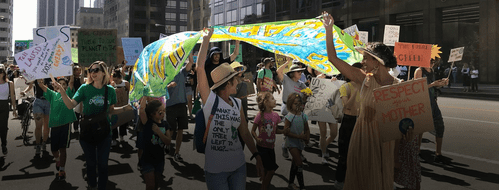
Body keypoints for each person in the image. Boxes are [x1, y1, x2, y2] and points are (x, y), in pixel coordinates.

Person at [322, 12, 409, 190]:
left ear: (377, 61)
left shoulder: (397, 86)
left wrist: (395, 155)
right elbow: (332, 58)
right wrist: (329, 29)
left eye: (365, 58)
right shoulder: (364, 79)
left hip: (384, 144)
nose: (362, 62)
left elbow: (400, 126)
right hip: (362, 139)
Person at [197, 28, 264, 190]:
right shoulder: (210, 101)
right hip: (216, 171)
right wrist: (206, 39)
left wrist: (257, 156)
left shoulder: (237, 104)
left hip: (239, 167)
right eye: (235, 80)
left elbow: (245, 133)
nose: (238, 82)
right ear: (227, 84)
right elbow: (200, 68)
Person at [53, 61, 131, 190]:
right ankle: (92, 186)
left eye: (96, 70)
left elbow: (111, 111)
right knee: (90, 164)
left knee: (103, 165)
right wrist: (62, 91)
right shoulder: (84, 88)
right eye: (91, 70)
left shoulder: (110, 90)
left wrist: (124, 109)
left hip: (105, 132)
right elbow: (70, 105)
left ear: (103, 72)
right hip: (87, 131)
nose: (92, 73)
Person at [38, 77, 77, 180]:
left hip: (65, 125)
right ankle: (57, 160)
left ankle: (62, 170)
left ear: (67, 86)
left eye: (64, 84)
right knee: (54, 149)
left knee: (62, 148)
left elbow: (72, 81)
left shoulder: (68, 93)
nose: (61, 85)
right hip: (54, 126)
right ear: (54, 86)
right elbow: (42, 86)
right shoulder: (52, 94)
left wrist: (71, 69)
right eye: (59, 84)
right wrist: (39, 79)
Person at [414, 58, 448, 164]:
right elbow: (416, 88)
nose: (432, 64)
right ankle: (417, 152)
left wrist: (442, 83)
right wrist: (433, 84)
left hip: (432, 102)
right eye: (430, 62)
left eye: (433, 62)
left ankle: (438, 154)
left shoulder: (431, 71)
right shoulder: (419, 71)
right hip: (422, 102)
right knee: (420, 129)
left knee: (440, 126)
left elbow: (434, 85)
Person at [334, 63, 363, 189]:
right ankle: (339, 180)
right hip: (348, 121)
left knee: (359, 154)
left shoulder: (366, 87)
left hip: (362, 121)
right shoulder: (345, 86)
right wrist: (356, 88)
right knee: (344, 154)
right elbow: (347, 106)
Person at [251, 92, 283, 190]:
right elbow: (252, 130)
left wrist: (284, 131)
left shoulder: (276, 115)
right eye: (272, 98)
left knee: (267, 170)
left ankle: (264, 186)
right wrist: (257, 138)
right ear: (265, 102)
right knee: (271, 170)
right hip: (262, 147)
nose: (275, 100)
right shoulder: (260, 115)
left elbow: (275, 130)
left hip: (271, 147)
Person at [276, 59, 307, 159]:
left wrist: (307, 95)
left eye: (301, 72)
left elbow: (306, 96)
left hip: (298, 110)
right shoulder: (286, 79)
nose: (301, 73)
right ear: (293, 73)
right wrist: (287, 62)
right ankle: (289, 148)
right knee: (289, 130)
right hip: (287, 109)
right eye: (299, 72)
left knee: (297, 131)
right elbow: (278, 71)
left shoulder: (301, 84)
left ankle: (290, 148)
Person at [165, 54, 194, 162]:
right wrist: (168, 86)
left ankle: (177, 152)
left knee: (180, 130)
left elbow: (190, 63)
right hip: (170, 106)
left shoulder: (182, 72)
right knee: (171, 130)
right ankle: (167, 144)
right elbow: (159, 90)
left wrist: (189, 50)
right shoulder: (166, 75)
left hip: (182, 105)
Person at [138, 98, 171, 190]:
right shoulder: (148, 123)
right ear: (152, 114)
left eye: (164, 111)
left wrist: (158, 132)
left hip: (160, 159)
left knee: (156, 185)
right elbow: (142, 110)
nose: (163, 114)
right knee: (150, 185)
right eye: (160, 112)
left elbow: (168, 141)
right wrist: (145, 95)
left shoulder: (165, 124)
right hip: (147, 159)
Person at [283, 93, 310, 190]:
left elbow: (307, 129)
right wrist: (299, 136)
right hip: (291, 143)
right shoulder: (289, 117)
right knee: (299, 163)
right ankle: (302, 186)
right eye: (295, 104)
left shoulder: (303, 116)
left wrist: (307, 138)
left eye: (299, 103)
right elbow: (286, 132)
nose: (297, 106)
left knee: (294, 163)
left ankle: (290, 183)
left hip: (300, 143)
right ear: (290, 105)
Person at [22, 78, 53, 157]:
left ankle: (44, 143)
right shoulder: (37, 75)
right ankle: (38, 144)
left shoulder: (52, 76)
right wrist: (25, 91)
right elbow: (30, 85)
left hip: (49, 102)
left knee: (47, 126)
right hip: (38, 102)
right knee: (38, 125)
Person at [110, 69, 130, 146]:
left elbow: (130, 92)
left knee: (123, 122)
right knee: (114, 122)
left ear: (120, 78)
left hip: (124, 105)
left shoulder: (126, 83)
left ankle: (122, 136)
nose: (115, 81)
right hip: (115, 106)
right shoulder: (112, 84)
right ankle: (114, 138)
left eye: (116, 79)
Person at [0, 64, 17, 155]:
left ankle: (4, 144)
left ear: (4, 73)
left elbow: (12, 97)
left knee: (3, 127)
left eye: (1, 71)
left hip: (4, 105)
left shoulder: (9, 83)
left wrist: (14, 109)